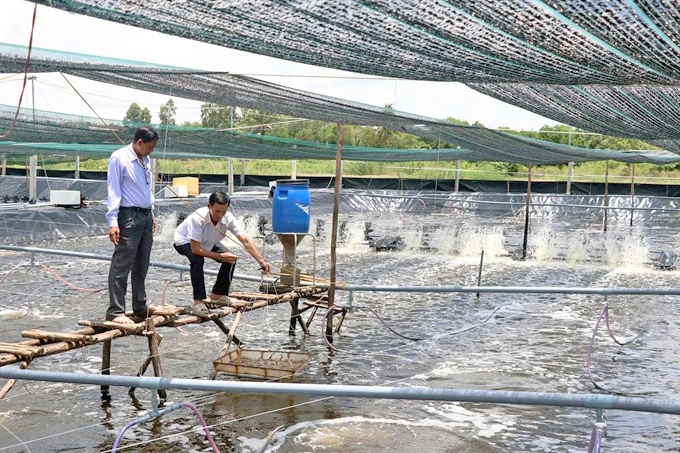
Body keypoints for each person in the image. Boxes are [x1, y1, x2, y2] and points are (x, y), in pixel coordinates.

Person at [174, 191, 272, 304]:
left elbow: (245, 240)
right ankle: (199, 301)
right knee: (197, 260)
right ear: (209, 206)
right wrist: (220, 256)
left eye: (224, 212)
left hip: (208, 242)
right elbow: (195, 249)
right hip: (185, 241)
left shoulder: (228, 218)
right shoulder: (198, 218)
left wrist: (261, 261)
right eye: (217, 211)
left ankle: (218, 294)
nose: (220, 215)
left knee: (231, 259)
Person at [105, 126, 159, 324]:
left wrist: (152, 213)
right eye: (150, 147)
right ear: (139, 143)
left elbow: (147, 189)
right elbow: (113, 190)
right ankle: (116, 311)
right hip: (128, 215)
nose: (151, 151)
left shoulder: (146, 160)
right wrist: (113, 222)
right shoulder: (119, 158)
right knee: (122, 263)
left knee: (142, 262)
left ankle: (139, 305)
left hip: (145, 215)